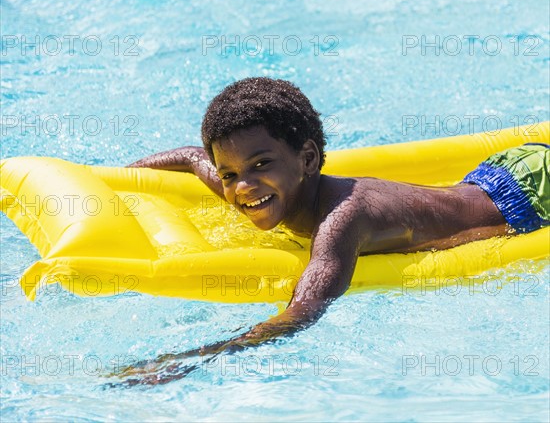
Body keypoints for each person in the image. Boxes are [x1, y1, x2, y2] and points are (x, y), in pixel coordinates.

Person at [120, 77, 549, 385]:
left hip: (527, 200)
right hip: (492, 174)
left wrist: (188, 360)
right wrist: (114, 179)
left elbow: (303, 311)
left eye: (261, 165)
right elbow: (194, 157)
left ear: (307, 158)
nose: (242, 186)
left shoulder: (344, 219)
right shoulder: (249, 187)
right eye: (230, 174)